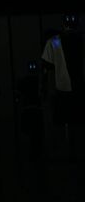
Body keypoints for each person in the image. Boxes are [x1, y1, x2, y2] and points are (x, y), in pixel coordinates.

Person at [41, 13, 84, 158]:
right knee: (74, 122)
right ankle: (72, 151)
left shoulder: (54, 42)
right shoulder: (59, 42)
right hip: (76, 88)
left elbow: (47, 67)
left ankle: (66, 152)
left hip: (62, 88)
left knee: (64, 122)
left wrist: (47, 88)